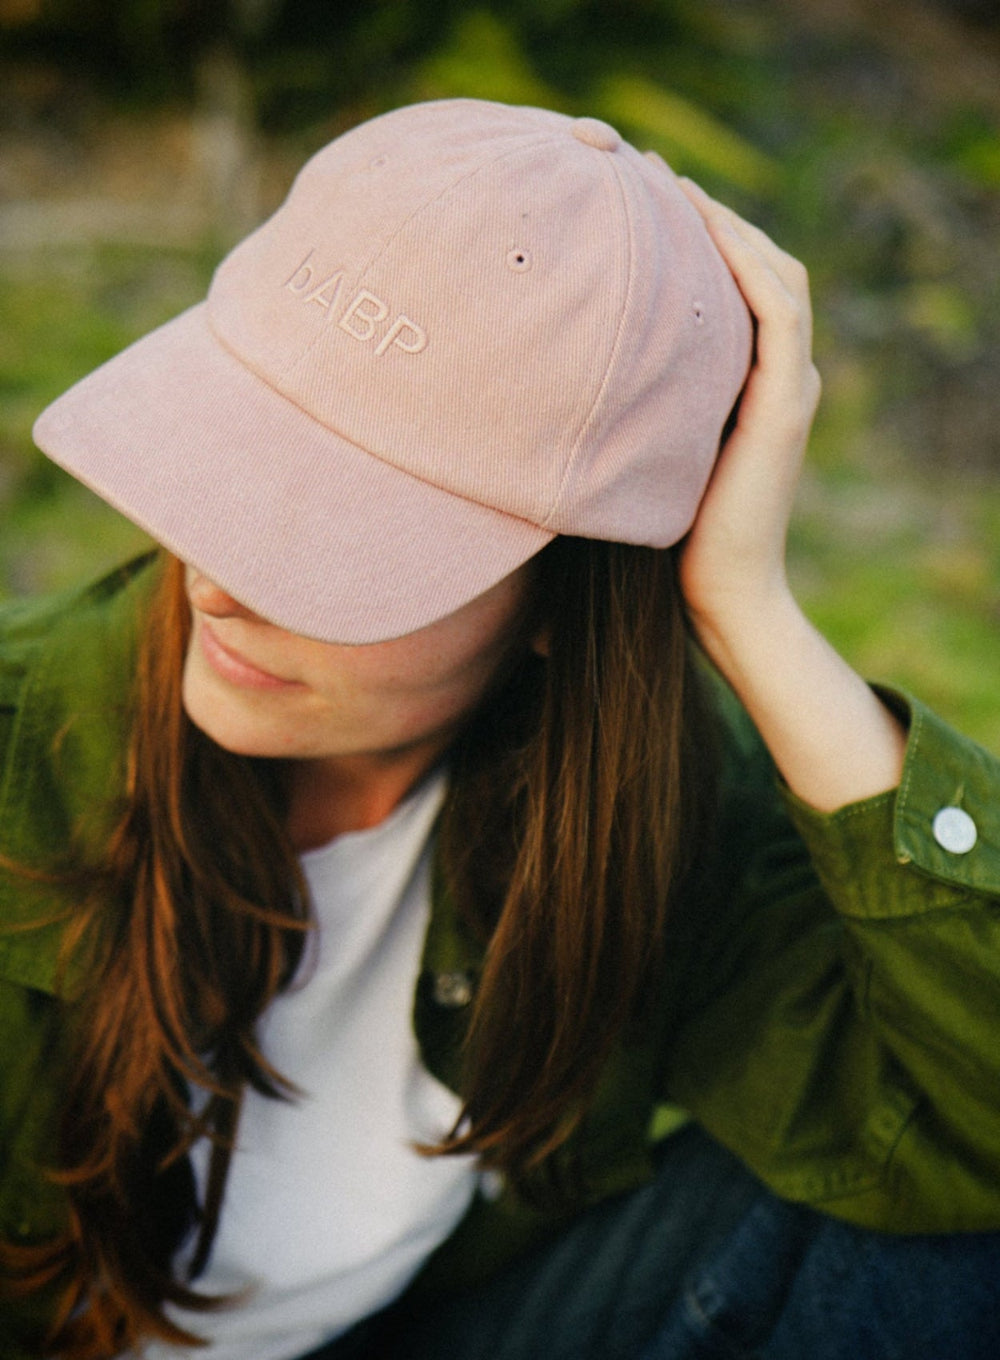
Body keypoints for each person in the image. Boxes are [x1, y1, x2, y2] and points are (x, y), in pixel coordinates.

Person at [1, 98, 998, 1360]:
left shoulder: (645, 809)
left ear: (562, 603)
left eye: (342, 536)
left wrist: (750, 610)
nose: (218, 577)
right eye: (229, 455)